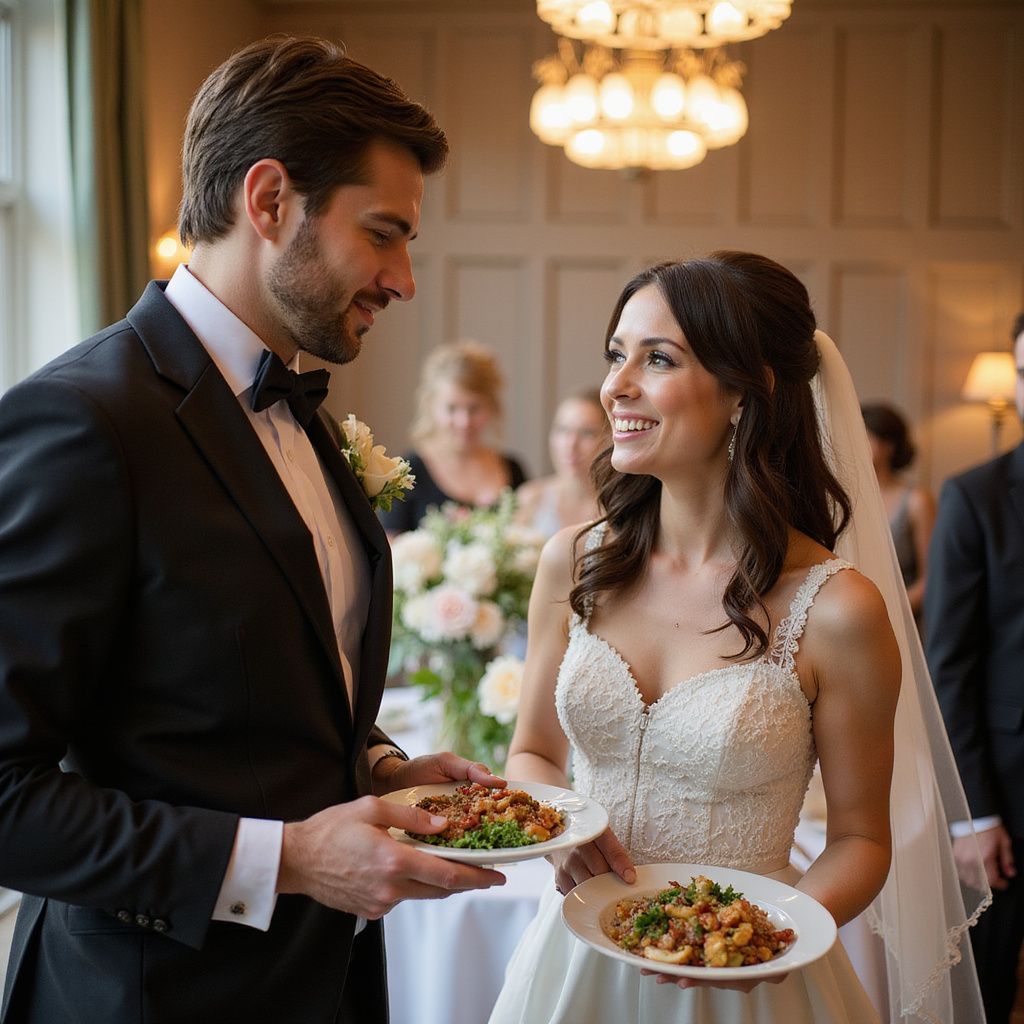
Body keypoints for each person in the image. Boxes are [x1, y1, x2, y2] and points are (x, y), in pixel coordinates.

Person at [0, 36, 507, 1024]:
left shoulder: (307, 417)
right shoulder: (82, 423)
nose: (404, 278)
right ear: (269, 201)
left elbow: (232, 700)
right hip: (151, 994)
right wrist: (294, 860)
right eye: (384, 233)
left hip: (326, 986)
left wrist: (378, 764)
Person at [488, 252, 989, 1024]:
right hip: (573, 967)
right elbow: (533, 752)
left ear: (744, 393)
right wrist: (561, 835)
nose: (616, 386)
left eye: (657, 359)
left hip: (748, 981)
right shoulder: (575, 562)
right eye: (616, 355)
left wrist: (767, 936)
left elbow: (860, 839)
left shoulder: (835, 610)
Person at [925, 313, 1024, 1024]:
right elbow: (950, 666)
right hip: (1009, 797)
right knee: (989, 986)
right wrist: (974, 818)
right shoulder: (975, 497)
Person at [379, 340, 527, 535]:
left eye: (474, 408)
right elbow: (391, 552)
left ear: (491, 407)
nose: (464, 421)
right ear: (431, 406)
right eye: (452, 409)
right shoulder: (406, 472)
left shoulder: (513, 469)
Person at [861, 402, 936, 620]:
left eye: (866, 437)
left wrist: (887, 614)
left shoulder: (917, 501)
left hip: (900, 618)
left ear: (888, 446)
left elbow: (929, 579)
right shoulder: (845, 499)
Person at [515, 388, 608, 538]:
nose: (571, 444)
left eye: (586, 433)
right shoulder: (531, 498)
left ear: (608, 438)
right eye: (563, 430)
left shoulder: (618, 505)